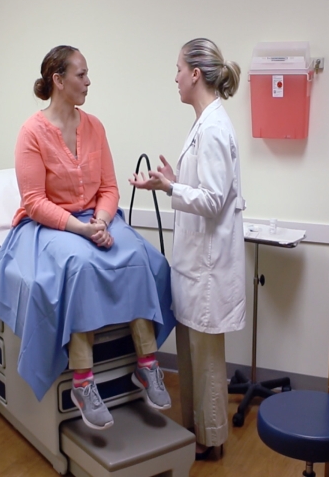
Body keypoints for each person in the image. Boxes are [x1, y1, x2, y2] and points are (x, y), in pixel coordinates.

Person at [0, 45, 172, 431]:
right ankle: (83, 383)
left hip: (95, 217)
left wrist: (101, 221)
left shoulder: (95, 126)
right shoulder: (31, 133)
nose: (88, 82)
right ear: (58, 80)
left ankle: (147, 365)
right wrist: (81, 229)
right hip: (48, 225)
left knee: (138, 255)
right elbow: (34, 202)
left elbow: (109, 187)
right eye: (81, 75)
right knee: (81, 264)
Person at [129, 38, 245, 460]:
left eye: (178, 69)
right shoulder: (205, 123)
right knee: (193, 357)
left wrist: (171, 187)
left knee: (207, 360)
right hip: (197, 266)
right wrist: (176, 180)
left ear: (196, 74)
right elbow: (207, 190)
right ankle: (196, 432)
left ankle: (210, 441)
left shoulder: (213, 127)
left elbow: (213, 200)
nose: (175, 77)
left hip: (209, 269)